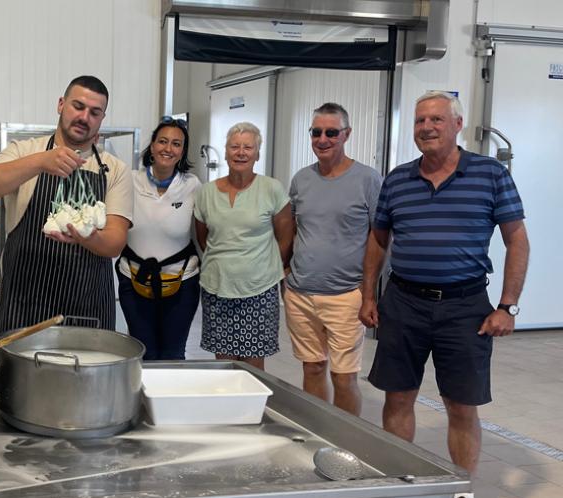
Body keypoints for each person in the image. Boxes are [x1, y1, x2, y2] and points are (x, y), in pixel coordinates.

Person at [359, 91, 529, 474]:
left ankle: (461, 488)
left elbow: (516, 239)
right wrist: (368, 294)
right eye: (420, 121)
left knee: (461, 404)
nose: (426, 127)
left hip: (465, 306)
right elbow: (378, 239)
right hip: (403, 302)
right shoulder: (398, 179)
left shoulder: (490, 174)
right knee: (398, 397)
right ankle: (402, 481)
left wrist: (508, 306)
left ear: (457, 125)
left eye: (436, 119)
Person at [0, 75, 133, 333]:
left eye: (95, 112)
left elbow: (115, 242)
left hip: (88, 307)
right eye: (78, 106)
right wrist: (40, 162)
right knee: (22, 374)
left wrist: (85, 236)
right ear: (61, 104)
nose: (84, 117)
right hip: (24, 304)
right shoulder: (25, 151)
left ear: (102, 119)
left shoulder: (115, 169)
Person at [283, 103, 382, 416]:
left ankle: (346, 444)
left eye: (331, 132)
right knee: (312, 369)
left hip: (346, 295)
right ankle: (319, 433)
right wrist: (286, 271)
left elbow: (379, 239)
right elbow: (292, 228)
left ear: (346, 134)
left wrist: (368, 294)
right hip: (300, 294)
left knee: (344, 376)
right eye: (316, 132)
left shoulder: (367, 179)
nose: (322, 139)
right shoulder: (301, 179)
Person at [194, 122, 293, 371]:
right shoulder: (206, 193)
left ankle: (251, 410)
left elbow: (285, 237)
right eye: (234, 146)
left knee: (252, 364)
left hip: (258, 290)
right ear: (225, 152)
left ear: (257, 153)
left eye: (248, 147)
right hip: (217, 287)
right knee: (225, 361)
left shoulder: (272, 189)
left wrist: (259, 266)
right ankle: (227, 409)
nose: (241, 152)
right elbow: (204, 239)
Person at [116, 116, 201, 360]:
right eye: (162, 141)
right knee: (143, 352)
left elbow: (203, 233)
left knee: (173, 354)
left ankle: (170, 399)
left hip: (182, 282)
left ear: (182, 151)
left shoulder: (193, 185)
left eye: (176, 144)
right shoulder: (129, 180)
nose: (168, 148)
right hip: (133, 279)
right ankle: (143, 399)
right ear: (152, 146)